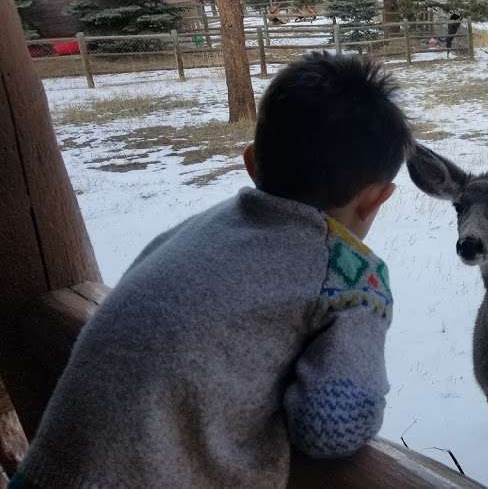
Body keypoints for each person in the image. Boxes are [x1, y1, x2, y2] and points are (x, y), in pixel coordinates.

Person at [9, 52, 413, 489]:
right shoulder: (349, 273)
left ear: (252, 162)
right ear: (375, 199)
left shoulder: (199, 229)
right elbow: (330, 425)